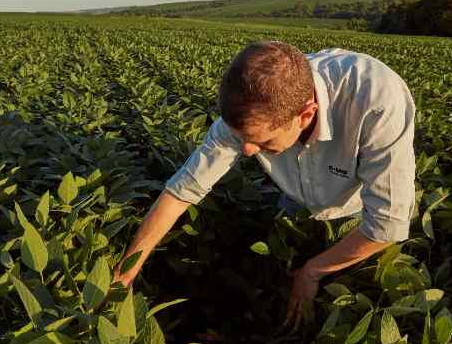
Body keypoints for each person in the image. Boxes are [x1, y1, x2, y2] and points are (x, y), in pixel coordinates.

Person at [113, 40, 416, 327]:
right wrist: (127, 269)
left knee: (337, 301)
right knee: (280, 264)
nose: (247, 151)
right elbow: (182, 190)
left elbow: (386, 225)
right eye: (241, 139)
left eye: (262, 141)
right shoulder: (250, 109)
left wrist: (313, 272)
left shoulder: (376, 101)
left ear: (305, 114)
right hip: (296, 195)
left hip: (357, 213)